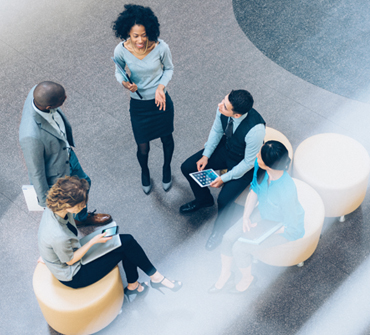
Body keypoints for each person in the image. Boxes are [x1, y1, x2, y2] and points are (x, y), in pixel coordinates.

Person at [38, 176, 182, 298]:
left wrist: (50, 255)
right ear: (67, 203)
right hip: (75, 274)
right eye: (80, 205)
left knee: (126, 242)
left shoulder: (54, 208)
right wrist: (93, 241)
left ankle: (141, 283)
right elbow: (70, 261)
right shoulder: (58, 236)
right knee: (126, 248)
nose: (82, 208)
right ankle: (149, 281)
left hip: (72, 252)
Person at [209, 141, 305, 294]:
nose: (256, 156)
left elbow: (291, 226)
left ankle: (248, 279)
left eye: (259, 156)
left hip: (281, 227)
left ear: (269, 165)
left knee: (240, 248)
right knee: (228, 237)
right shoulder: (261, 169)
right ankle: (226, 274)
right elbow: (254, 190)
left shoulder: (286, 191)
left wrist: (262, 230)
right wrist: (246, 217)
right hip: (264, 213)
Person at [180, 90, 266, 251]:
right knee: (188, 167)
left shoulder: (256, 130)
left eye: (225, 106)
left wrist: (224, 178)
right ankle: (203, 199)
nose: (220, 105)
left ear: (237, 115)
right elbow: (217, 131)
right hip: (227, 149)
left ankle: (219, 231)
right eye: (223, 100)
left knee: (224, 199)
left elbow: (249, 162)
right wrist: (206, 155)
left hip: (243, 162)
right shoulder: (222, 109)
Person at [19, 81, 111, 226]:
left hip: (66, 153)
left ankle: (79, 217)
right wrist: (45, 202)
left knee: (85, 183)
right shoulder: (30, 136)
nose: (66, 98)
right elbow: (36, 172)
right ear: (49, 107)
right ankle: (78, 220)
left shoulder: (38, 92)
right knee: (73, 197)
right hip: (57, 173)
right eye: (62, 100)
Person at [112, 4, 175, 194]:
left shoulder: (161, 47)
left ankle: (166, 168)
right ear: (127, 34)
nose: (140, 40)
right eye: (135, 35)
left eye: (144, 34)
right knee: (142, 146)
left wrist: (161, 88)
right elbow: (119, 72)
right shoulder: (121, 50)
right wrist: (125, 84)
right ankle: (145, 171)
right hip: (139, 104)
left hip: (160, 101)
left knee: (167, 138)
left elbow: (169, 69)